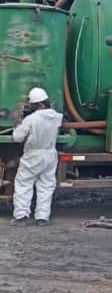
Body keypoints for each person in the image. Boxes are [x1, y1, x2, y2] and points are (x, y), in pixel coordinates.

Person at [11, 87, 63, 226]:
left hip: (33, 155)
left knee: (24, 184)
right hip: (50, 154)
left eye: (34, 105)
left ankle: (21, 216)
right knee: (46, 185)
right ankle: (42, 217)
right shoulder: (57, 117)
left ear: (39, 105)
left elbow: (17, 137)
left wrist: (17, 125)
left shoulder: (31, 119)